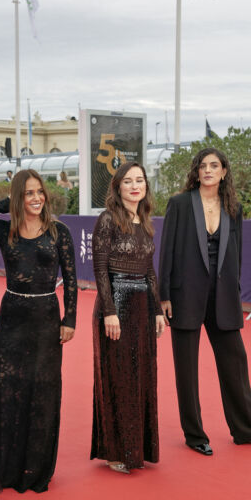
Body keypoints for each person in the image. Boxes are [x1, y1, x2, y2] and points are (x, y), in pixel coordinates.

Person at [0, 169, 78, 493]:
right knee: (6, 390)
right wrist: (8, 202)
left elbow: (71, 279)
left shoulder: (58, 231)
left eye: (39, 191)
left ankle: (35, 468)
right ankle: (4, 467)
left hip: (46, 319)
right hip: (12, 318)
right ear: (18, 197)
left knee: (41, 392)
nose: (37, 198)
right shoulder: (7, 231)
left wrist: (70, 319)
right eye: (28, 193)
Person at [159, 148, 251, 455]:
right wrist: (164, 295)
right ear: (196, 172)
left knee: (235, 360)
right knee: (187, 369)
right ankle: (195, 435)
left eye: (214, 165)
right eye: (203, 166)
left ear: (224, 172)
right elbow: (167, 250)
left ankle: (247, 429)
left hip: (222, 294)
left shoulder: (233, 207)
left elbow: (236, 253)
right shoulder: (180, 204)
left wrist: (234, 290)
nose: (208, 170)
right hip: (185, 294)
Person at [91, 162, 166, 474]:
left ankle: (138, 449)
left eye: (140, 180)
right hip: (116, 305)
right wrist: (110, 311)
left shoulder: (145, 221)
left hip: (143, 309)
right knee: (118, 378)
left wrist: (157, 309)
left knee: (141, 376)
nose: (135, 186)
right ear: (117, 187)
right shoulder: (108, 219)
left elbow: (149, 270)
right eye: (128, 181)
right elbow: (100, 268)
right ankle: (115, 451)